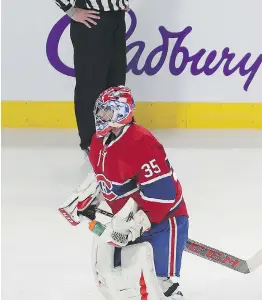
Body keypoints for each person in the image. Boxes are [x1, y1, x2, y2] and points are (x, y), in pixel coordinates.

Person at [59, 86, 189, 299]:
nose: (101, 117)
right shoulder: (98, 141)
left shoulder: (142, 143)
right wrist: (87, 198)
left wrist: (137, 225)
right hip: (127, 219)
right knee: (121, 279)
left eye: (107, 112)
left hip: (165, 219)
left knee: (156, 283)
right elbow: (104, 176)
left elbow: (163, 194)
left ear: (121, 112)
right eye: (100, 112)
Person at [53, 0, 129, 154]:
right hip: (92, 20)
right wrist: (71, 11)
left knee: (115, 83)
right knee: (90, 84)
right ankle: (91, 142)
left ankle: (112, 136)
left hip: (117, 18)